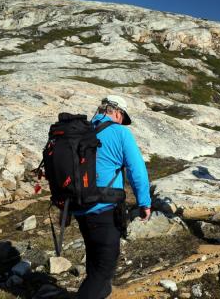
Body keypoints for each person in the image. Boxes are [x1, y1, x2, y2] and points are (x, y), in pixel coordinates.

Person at [73, 95, 151, 299]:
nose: (121, 121)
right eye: (122, 117)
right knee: (104, 270)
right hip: (105, 209)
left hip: (79, 207)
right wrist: (144, 202)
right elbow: (137, 171)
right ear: (117, 113)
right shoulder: (120, 133)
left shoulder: (81, 131)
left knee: (94, 261)